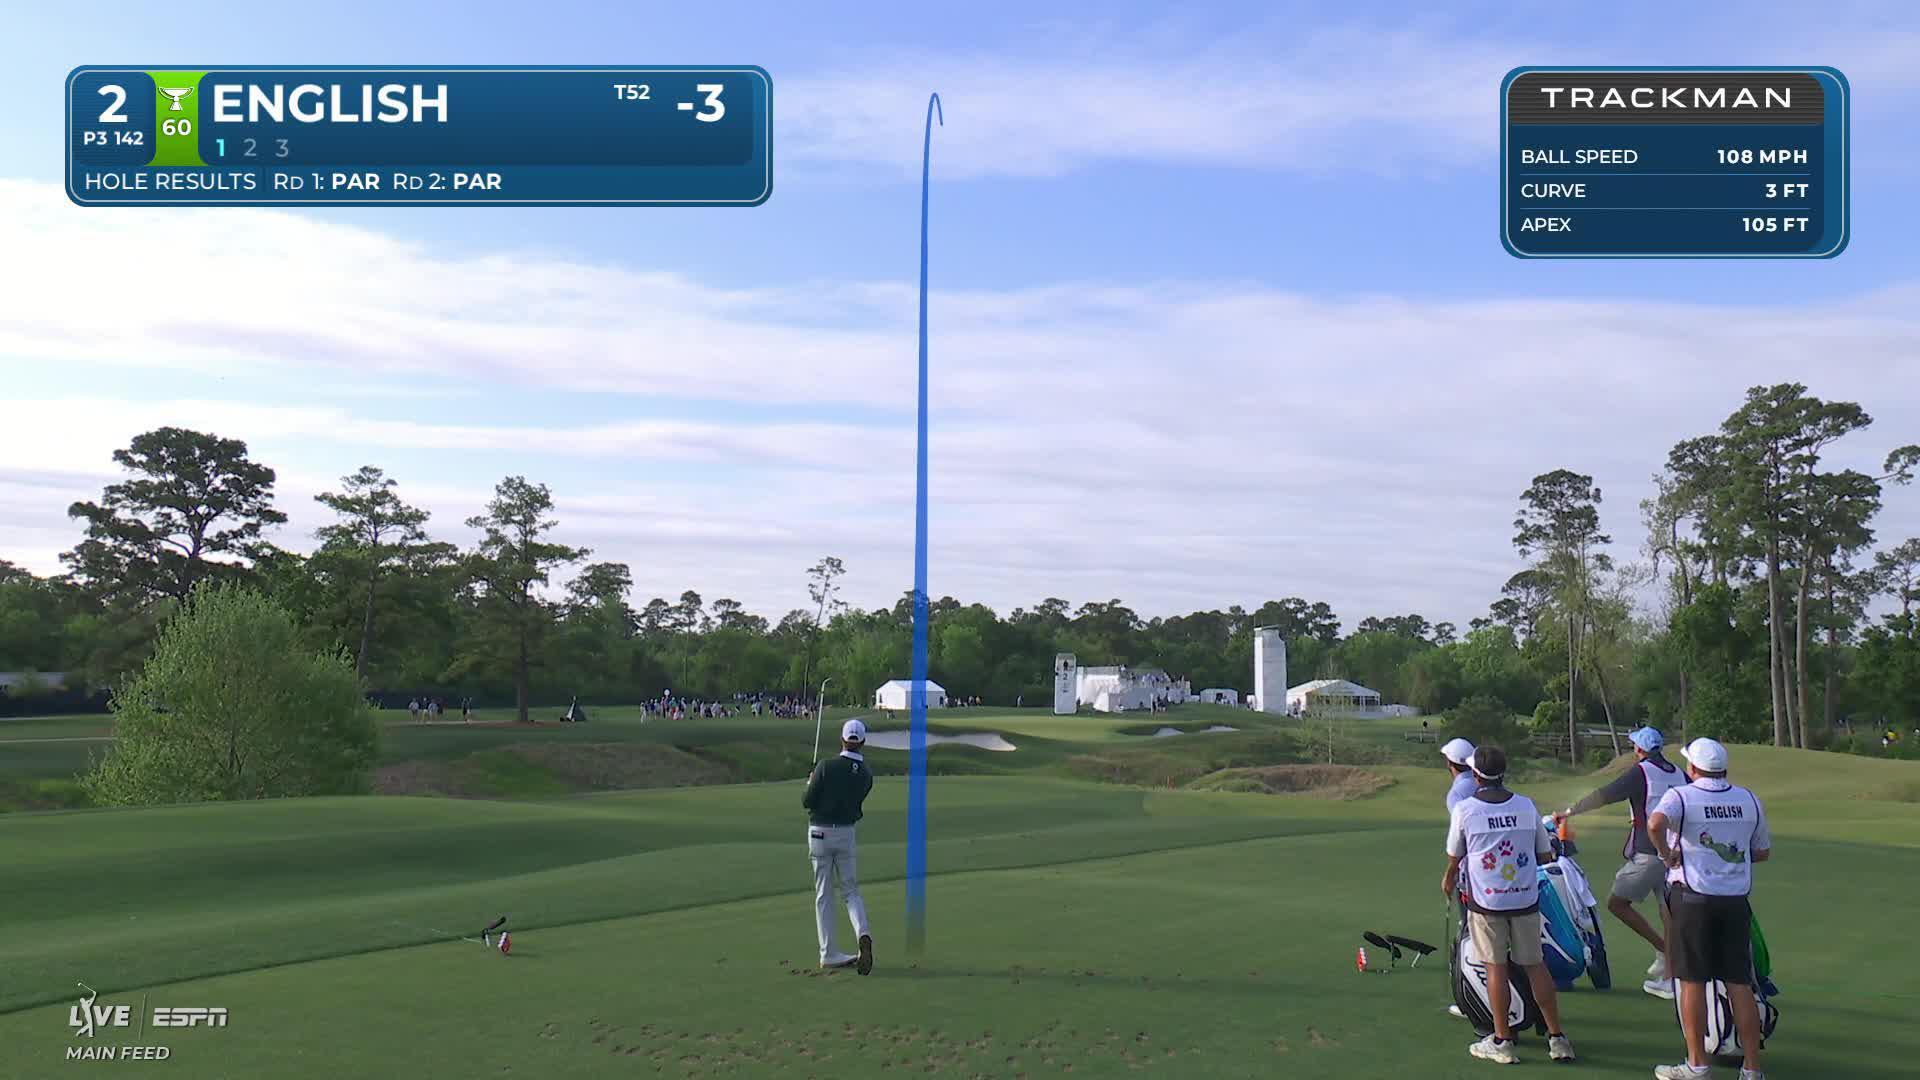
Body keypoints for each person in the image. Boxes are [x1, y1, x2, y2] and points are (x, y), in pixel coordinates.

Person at [1443, 746, 1576, 1065]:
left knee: (1495, 968)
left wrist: (1448, 878)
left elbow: (1454, 856)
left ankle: (1502, 1041)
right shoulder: (1526, 805)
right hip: (1525, 898)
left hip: (1487, 903)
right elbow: (1543, 855)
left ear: (1476, 775)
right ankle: (1557, 1038)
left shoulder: (1465, 809)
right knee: (1535, 966)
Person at [1648, 738, 1772, 1080]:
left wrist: (1666, 855)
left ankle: (1697, 1065)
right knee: (1739, 984)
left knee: (1692, 982)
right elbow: (1762, 852)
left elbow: (1655, 824)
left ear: (1692, 768)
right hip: (1735, 902)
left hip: (1693, 900)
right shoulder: (1748, 799)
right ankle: (1752, 1069)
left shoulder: (1681, 796)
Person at [1554, 725, 1687, 998]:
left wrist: (1570, 812)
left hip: (1650, 853)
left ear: (1639, 749)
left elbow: (1606, 794)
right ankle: (1671, 973)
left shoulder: (1641, 772)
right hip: (1677, 853)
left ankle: (1665, 954)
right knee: (1668, 911)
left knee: (1617, 903)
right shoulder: (1679, 773)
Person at [803, 718, 875, 975]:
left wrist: (811, 782)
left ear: (842, 740)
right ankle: (862, 932)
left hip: (819, 833)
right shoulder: (866, 775)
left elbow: (807, 801)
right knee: (850, 891)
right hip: (845, 833)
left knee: (824, 893)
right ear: (862, 742)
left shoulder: (825, 766)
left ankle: (829, 953)